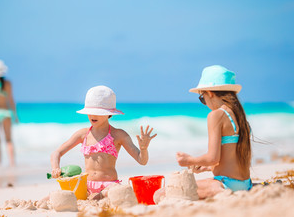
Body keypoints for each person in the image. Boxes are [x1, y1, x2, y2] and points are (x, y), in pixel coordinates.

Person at [155, 65, 252, 202]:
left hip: (226, 184)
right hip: (245, 184)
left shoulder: (216, 115)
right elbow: (231, 156)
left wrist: (188, 160)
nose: (204, 103)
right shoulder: (239, 116)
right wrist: (208, 167)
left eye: (202, 98)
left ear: (210, 93)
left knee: (160, 194)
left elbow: (213, 157)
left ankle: (217, 191)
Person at [50, 85, 157, 197]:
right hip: (86, 185)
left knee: (117, 191)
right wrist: (55, 168)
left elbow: (142, 161)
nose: (93, 115)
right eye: (90, 111)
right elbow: (56, 153)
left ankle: (101, 195)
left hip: (109, 185)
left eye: (98, 112)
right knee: (56, 195)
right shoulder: (83, 134)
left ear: (109, 113)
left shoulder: (119, 135)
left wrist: (143, 149)